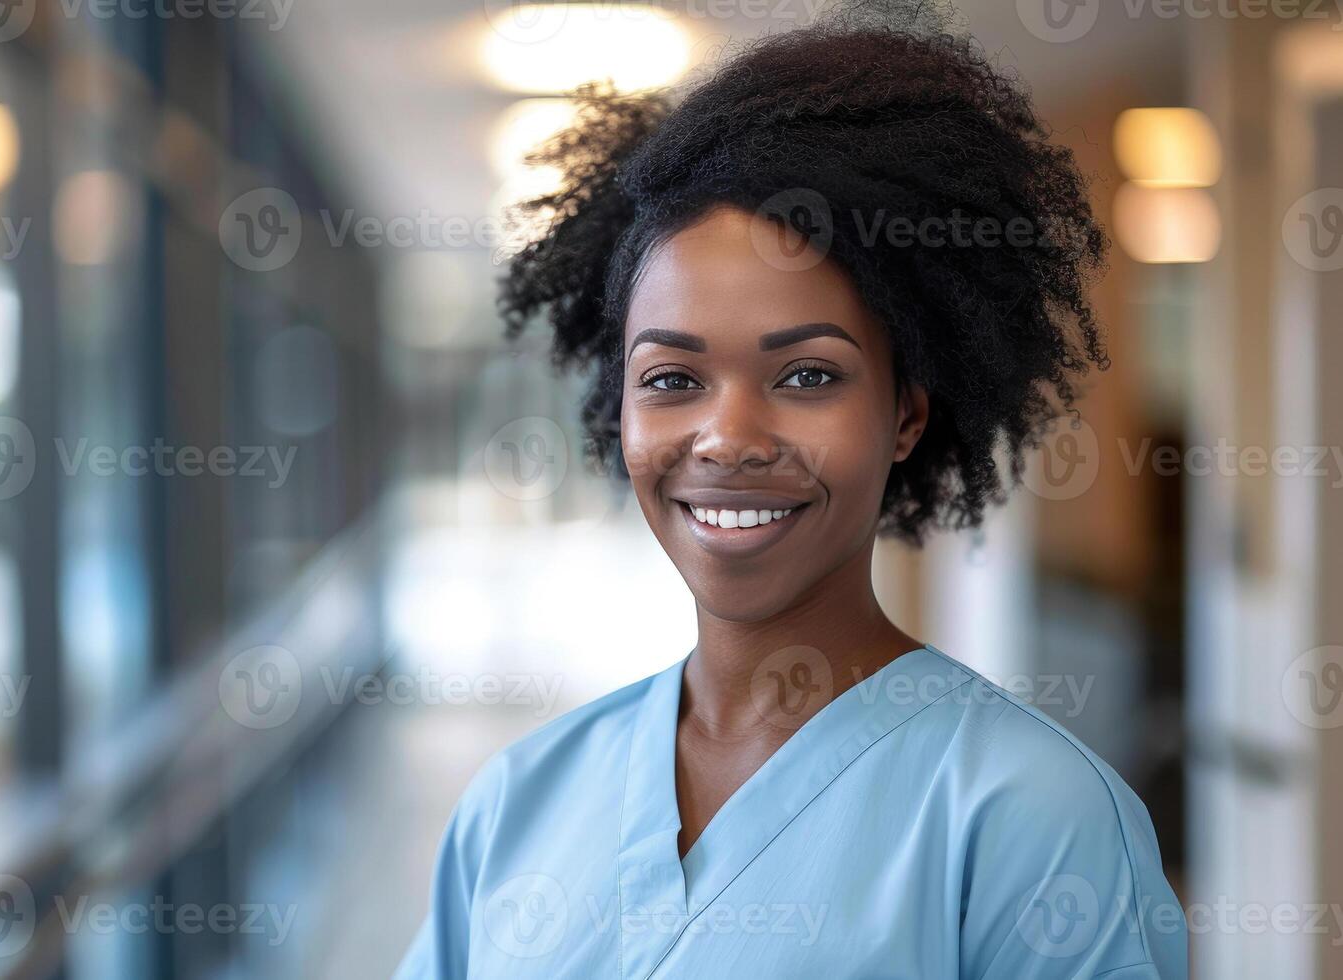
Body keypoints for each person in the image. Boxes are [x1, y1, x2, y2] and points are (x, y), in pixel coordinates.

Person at [394, 1, 1188, 977]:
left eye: (808, 374)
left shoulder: (1032, 820)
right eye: (672, 378)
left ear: (905, 411)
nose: (726, 436)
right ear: (618, 409)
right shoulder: (517, 803)